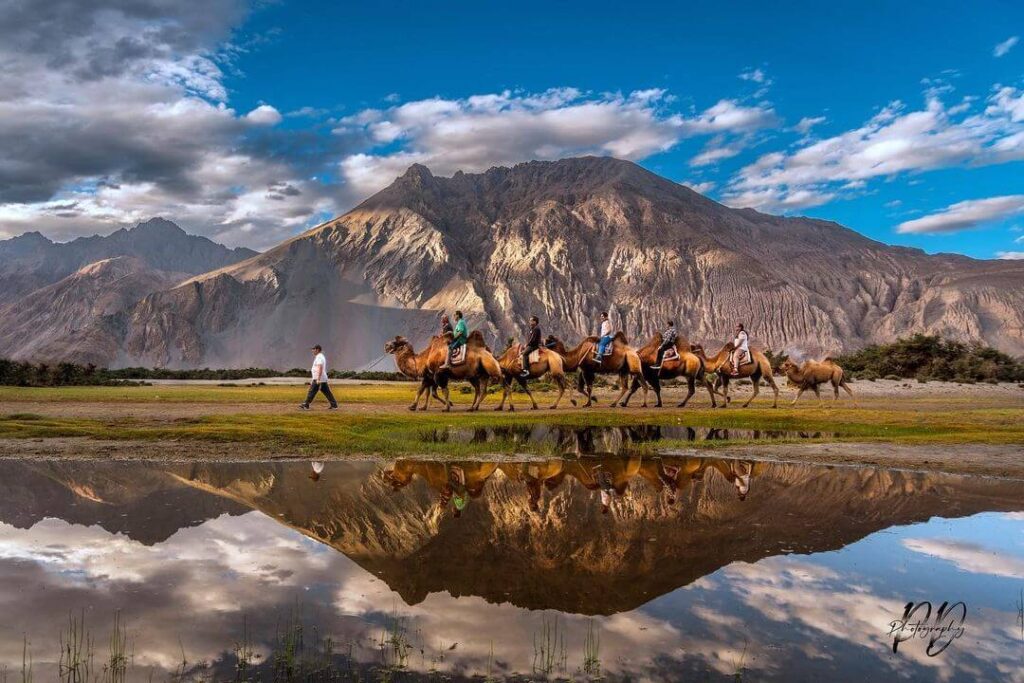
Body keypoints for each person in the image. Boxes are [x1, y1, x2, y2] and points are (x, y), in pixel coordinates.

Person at [299, 344, 338, 410]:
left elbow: (320, 367)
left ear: (317, 350)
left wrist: (318, 379)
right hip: (322, 378)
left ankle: (306, 405)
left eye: (313, 349)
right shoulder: (320, 356)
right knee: (327, 392)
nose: (312, 351)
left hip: (319, 378)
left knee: (312, 391)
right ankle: (334, 405)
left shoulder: (319, 357)